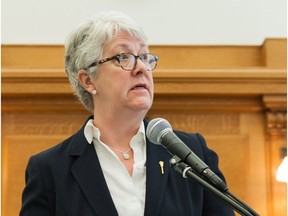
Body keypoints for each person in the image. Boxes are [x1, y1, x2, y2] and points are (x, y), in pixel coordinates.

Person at [20, 11, 235, 216]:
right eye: (123, 57)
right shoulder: (50, 170)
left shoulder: (193, 152)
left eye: (143, 56)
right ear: (88, 80)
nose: (141, 67)